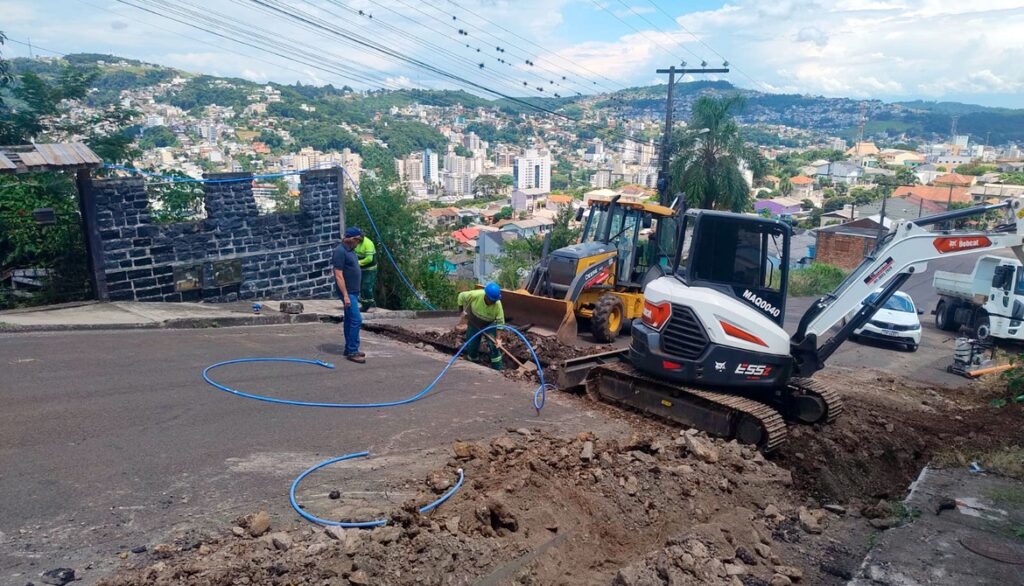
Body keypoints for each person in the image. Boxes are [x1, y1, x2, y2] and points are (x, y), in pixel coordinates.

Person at [333, 227, 364, 363]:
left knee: (350, 319)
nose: (358, 242)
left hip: (354, 291)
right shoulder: (340, 251)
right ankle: (352, 350)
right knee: (356, 319)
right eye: (357, 240)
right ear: (351, 239)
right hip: (348, 292)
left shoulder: (351, 251)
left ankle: (349, 347)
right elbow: (338, 275)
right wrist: (345, 295)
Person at [457, 282, 505, 370]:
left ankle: (497, 366)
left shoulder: (497, 304)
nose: (494, 302)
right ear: (486, 296)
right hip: (474, 320)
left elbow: (500, 322)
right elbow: (461, 296)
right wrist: (461, 311)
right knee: (472, 342)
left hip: (489, 324)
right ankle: (473, 359)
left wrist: (498, 338)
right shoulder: (476, 295)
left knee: (494, 345)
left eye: (495, 300)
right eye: (492, 300)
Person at [353, 233, 377, 311]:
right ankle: (365, 305)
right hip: (360, 268)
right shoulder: (356, 243)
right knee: (361, 287)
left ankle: (372, 304)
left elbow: (369, 259)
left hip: (370, 268)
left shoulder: (368, 243)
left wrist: (358, 262)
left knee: (367, 286)